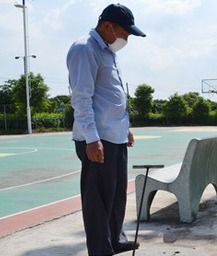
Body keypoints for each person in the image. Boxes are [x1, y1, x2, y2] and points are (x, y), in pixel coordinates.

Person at [67, 4, 146, 256]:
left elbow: (113, 96)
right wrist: (91, 138)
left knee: (115, 195)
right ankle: (101, 249)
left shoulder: (108, 52)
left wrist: (126, 128)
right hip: (97, 138)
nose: (126, 38)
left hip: (115, 136)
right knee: (98, 200)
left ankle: (115, 239)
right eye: (124, 33)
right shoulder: (84, 49)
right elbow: (81, 98)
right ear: (107, 26)